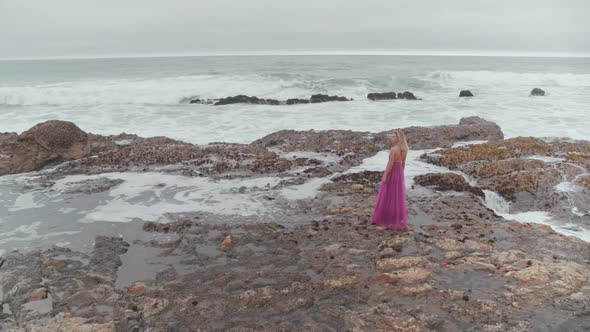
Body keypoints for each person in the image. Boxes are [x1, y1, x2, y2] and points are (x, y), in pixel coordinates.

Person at [371, 130, 408, 230]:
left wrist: (385, 175)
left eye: (394, 136)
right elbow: (403, 163)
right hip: (399, 171)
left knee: (388, 194)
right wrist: (401, 174)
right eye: (392, 136)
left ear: (398, 138)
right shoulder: (404, 149)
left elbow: (390, 164)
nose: (392, 137)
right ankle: (396, 216)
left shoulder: (393, 149)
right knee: (396, 195)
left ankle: (386, 217)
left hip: (392, 171)